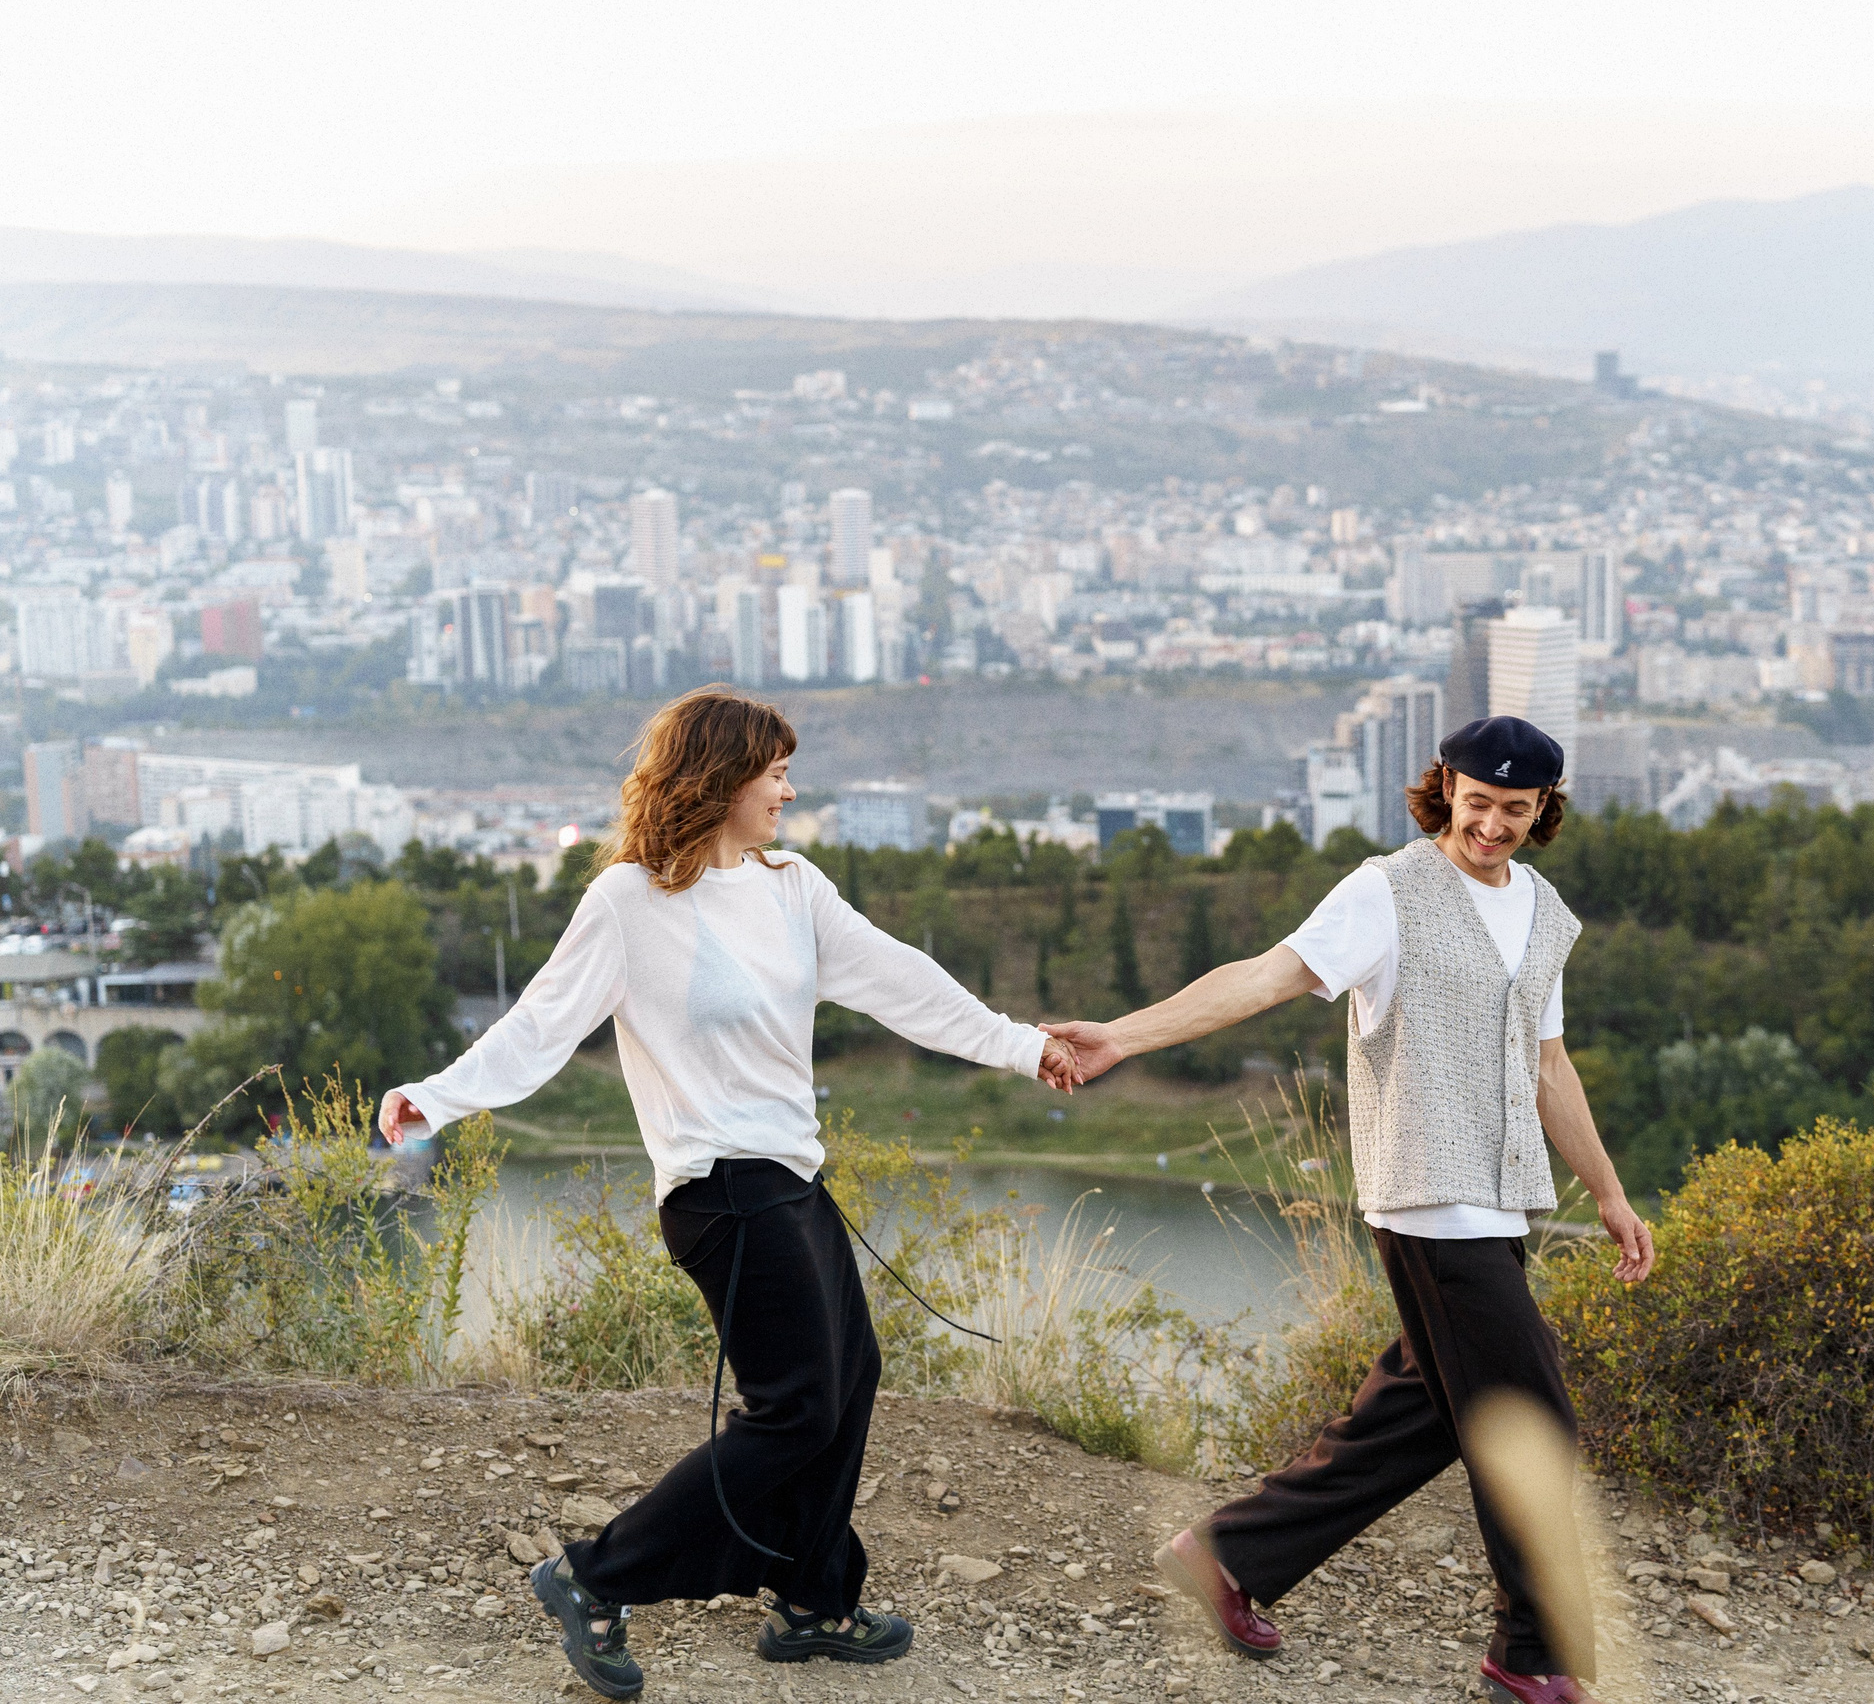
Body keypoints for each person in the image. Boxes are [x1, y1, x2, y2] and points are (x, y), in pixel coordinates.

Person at [378, 685, 1079, 1699]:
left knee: (849, 1381)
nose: (790, 791)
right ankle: (592, 1577)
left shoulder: (792, 887)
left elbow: (903, 982)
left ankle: (813, 1598)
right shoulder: (629, 901)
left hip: (791, 1175)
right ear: (719, 778)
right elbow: (540, 1026)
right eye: (776, 771)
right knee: (795, 1409)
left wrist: (1022, 1046)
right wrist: (435, 1099)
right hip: (718, 1190)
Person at [1043, 714, 1655, 1704]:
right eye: (1477, 802)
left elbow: (1548, 1067)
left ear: (1544, 808)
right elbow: (1264, 977)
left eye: (1515, 808)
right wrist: (1123, 1036)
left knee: (1419, 1408)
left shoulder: (1542, 911)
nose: (1491, 825)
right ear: (1442, 787)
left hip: (1503, 1203)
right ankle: (1530, 1654)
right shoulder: (1387, 892)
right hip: (1426, 1198)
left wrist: (1610, 1193)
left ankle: (1226, 1559)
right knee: (1528, 1420)